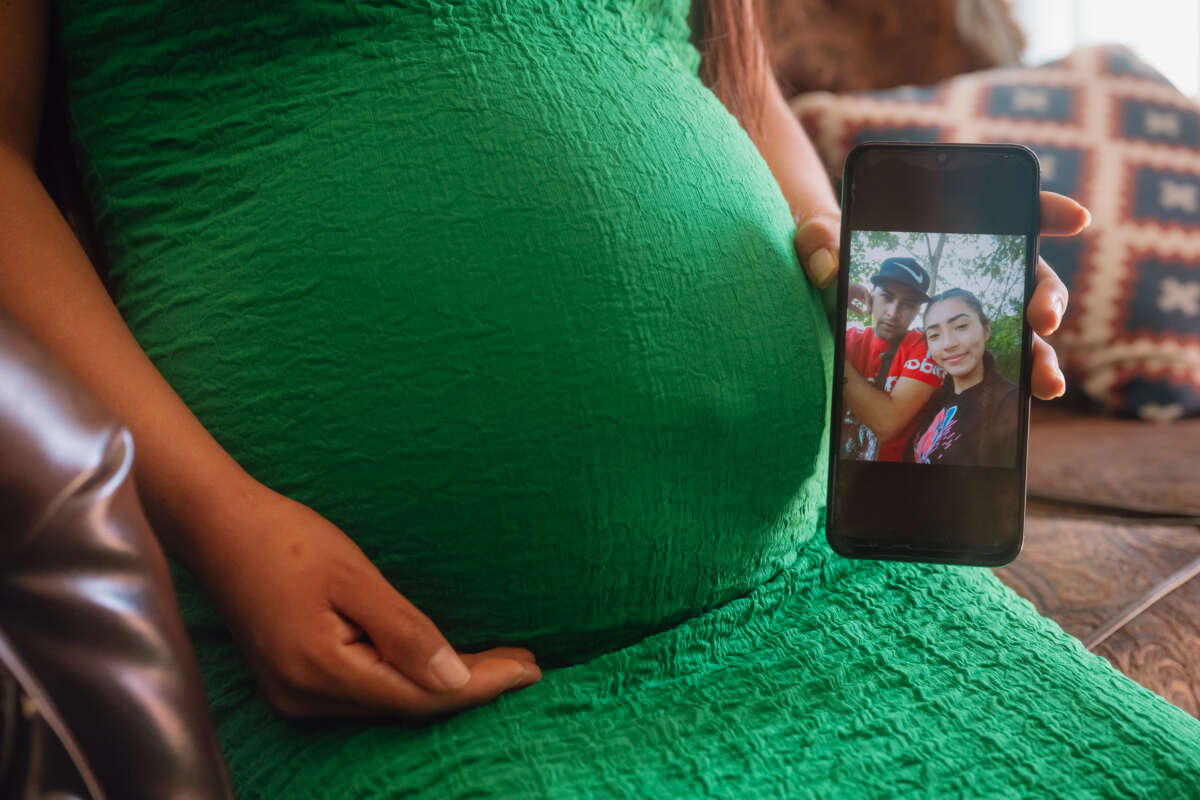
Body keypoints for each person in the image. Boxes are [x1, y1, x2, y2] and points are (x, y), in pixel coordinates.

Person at [5, 1, 1199, 798]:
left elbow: (737, 91)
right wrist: (217, 525)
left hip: (825, 595)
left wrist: (873, 285)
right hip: (414, 680)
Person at [842, 256, 945, 461]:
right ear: (870, 297)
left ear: (917, 312)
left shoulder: (926, 348)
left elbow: (885, 423)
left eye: (908, 305)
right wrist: (832, 299)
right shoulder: (849, 339)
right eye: (887, 297)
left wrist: (834, 357)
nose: (893, 312)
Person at [910, 288, 1019, 467]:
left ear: (985, 331)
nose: (948, 344)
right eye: (934, 335)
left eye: (961, 327)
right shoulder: (934, 400)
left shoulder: (1010, 403)